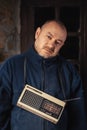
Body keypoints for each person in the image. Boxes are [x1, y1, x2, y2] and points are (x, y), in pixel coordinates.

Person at [0, 20, 87, 130]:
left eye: (58, 42)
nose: (51, 45)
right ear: (37, 33)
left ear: (62, 45)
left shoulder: (70, 72)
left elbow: (78, 118)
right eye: (49, 37)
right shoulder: (11, 66)